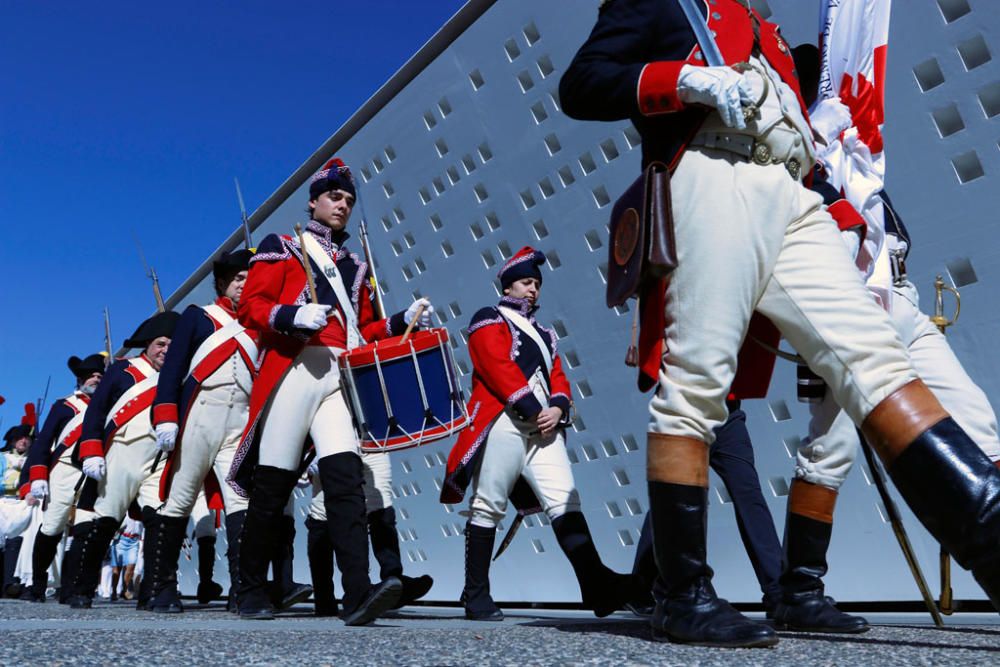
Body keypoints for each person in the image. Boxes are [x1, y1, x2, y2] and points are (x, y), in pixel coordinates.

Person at [560, 0, 1000, 647]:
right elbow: (584, 82)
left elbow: (799, 137)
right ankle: (680, 593)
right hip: (708, 167)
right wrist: (685, 81)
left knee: (877, 361)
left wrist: (842, 217)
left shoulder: (768, 31)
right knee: (695, 386)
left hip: (790, 192)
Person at [228, 157, 434, 625]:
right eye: (334, 197)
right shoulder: (282, 246)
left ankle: (357, 593)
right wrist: (293, 316)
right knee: (273, 488)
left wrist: (403, 320)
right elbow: (253, 306)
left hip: (339, 377)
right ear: (314, 201)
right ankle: (252, 588)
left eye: (348, 200)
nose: (342, 206)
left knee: (345, 483)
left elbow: (364, 328)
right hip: (294, 372)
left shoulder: (353, 265)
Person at [441, 247, 632, 621]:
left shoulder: (545, 333)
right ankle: (476, 595)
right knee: (488, 504)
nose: (533, 290)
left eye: (537, 285)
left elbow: (557, 375)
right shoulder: (489, 318)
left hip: (544, 426)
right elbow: (495, 366)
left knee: (565, 501)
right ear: (508, 284)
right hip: (503, 422)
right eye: (527, 283)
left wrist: (558, 408)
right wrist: (533, 409)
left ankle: (596, 586)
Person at [143, 249, 284, 613]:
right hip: (198, 418)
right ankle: (161, 587)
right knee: (180, 499)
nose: (246, 284)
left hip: (239, 424)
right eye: (239, 278)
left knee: (243, 504)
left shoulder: (259, 325)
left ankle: (246, 591)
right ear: (222, 283)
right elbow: (173, 370)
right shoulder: (199, 317)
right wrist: (166, 417)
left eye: (250, 279)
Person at [64, 310, 179, 609]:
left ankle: (153, 592)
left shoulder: (178, 375)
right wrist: (91, 450)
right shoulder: (123, 370)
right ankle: (82, 588)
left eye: (172, 345)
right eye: (161, 344)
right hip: (121, 452)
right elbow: (97, 410)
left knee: (160, 521)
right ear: (148, 345)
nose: (166, 350)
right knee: (104, 523)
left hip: (159, 459)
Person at [631, 401, 783, 615]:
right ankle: (638, 587)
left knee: (749, 494)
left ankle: (777, 591)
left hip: (729, 415)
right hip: (687, 411)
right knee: (673, 495)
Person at [305, 451, 434, 617]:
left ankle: (393, 582)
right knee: (321, 512)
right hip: (332, 443)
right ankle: (324, 598)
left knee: (382, 505)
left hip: (373, 442)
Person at [20, 353, 105, 602]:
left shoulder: (108, 407)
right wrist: (37, 475)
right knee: (52, 528)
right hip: (64, 471)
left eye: (100, 375)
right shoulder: (65, 406)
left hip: (92, 473)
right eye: (92, 375)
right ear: (81, 379)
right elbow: (44, 442)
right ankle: (37, 581)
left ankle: (71, 588)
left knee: (84, 530)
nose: (97, 379)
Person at [1, 423, 34, 597]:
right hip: (1, 502)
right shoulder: (2, 457)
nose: (23, 441)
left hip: (21, 504)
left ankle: (12, 583)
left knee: (17, 543)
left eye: (27, 438)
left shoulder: (34, 460)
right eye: (20, 437)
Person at [109, 516, 143, 601]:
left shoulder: (142, 513)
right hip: (121, 540)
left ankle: (124, 591)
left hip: (134, 541)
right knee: (117, 569)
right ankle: (113, 592)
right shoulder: (125, 512)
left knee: (131, 568)